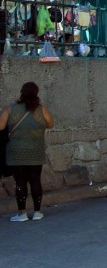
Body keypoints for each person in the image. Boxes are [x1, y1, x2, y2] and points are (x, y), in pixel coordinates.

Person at [0, 82, 54, 222]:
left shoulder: (10, 109)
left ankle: (22, 213)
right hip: (36, 152)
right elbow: (50, 124)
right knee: (36, 180)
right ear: (36, 93)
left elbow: (0, 126)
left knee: (20, 182)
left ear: (21, 93)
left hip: (16, 153)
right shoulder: (42, 110)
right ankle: (37, 212)